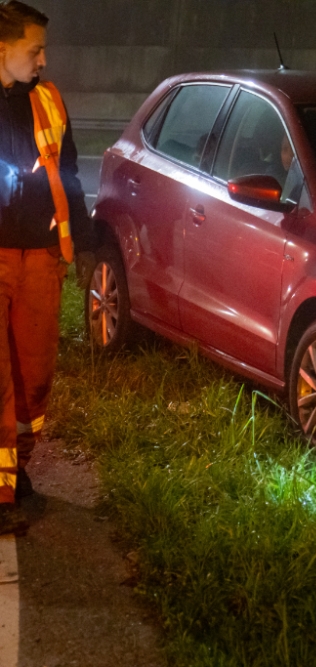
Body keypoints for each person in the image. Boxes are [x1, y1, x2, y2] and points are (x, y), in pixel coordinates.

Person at [0, 1, 95, 533]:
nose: (42, 59)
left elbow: (72, 172)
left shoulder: (49, 99)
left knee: (33, 376)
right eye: (34, 49)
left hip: (40, 257)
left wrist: (83, 239)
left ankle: (15, 470)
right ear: (3, 49)